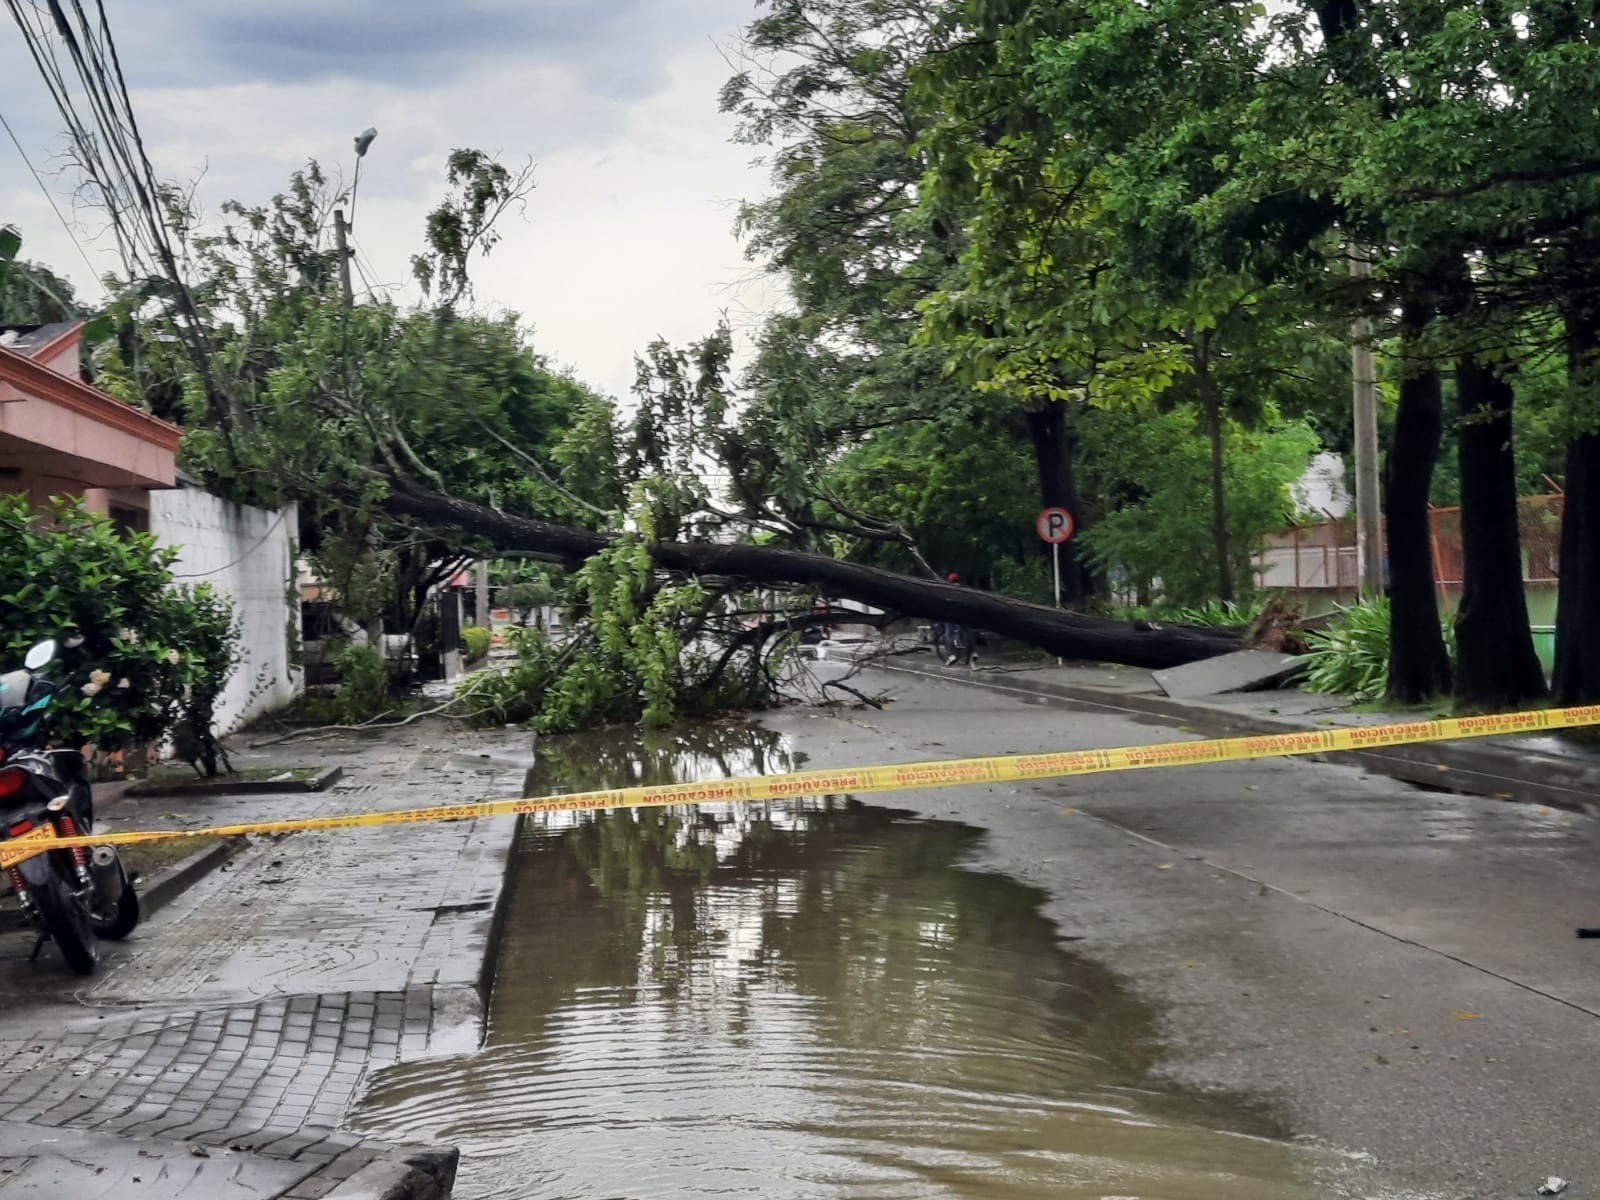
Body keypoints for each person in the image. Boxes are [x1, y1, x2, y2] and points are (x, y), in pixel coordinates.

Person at [938, 573, 978, 667]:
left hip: (951, 615)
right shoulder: (964, 589)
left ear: (949, 581)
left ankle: (952, 655)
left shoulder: (948, 590)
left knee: (948, 634)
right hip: (964, 614)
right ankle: (974, 652)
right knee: (967, 631)